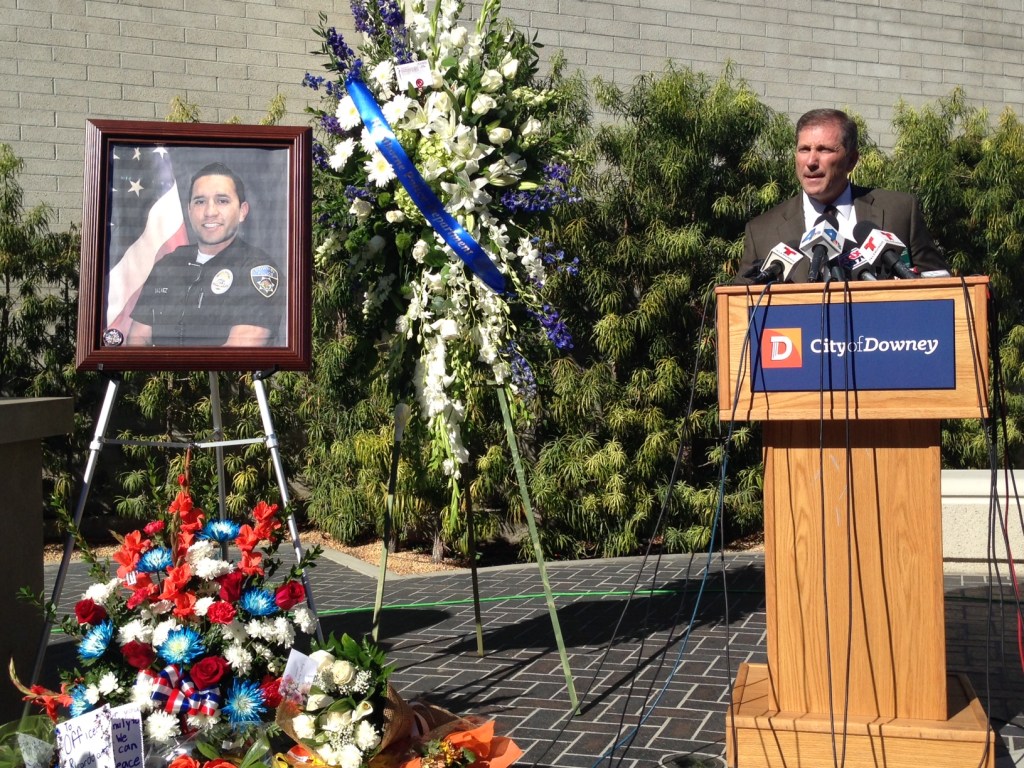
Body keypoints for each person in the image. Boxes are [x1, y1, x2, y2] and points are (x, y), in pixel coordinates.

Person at [734, 108, 950, 284]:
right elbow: (739, 309)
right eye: (804, 149)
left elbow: (941, 285)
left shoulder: (900, 211)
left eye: (825, 150)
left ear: (851, 160)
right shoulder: (762, 231)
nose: (811, 161)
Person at [127, 162, 284, 346]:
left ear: (242, 211)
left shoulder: (257, 270)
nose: (210, 212)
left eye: (222, 201)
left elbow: (238, 354)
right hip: (159, 375)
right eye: (200, 202)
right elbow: (138, 340)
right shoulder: (168, 266)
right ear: (189, 210)